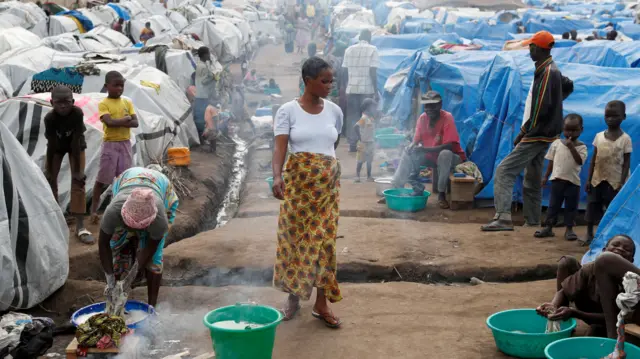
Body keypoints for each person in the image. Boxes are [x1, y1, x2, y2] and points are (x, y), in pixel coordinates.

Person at [271, 57, 343, 328]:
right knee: (295, 241)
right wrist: (277, 176)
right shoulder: (287, 111)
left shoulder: (335, 111)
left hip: (327, 192)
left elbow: (332, 148)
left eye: (331, 80)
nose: (329, 86)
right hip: (299, 192)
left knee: (325, 245)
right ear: (307, 81)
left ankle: (321, 303)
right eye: (324, 81)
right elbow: (280, 149)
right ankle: (293, 297)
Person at [482, 31, 567, 231]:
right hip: (546, 134)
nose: (529, 50)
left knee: (504, 171)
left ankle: (503, 217)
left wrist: (523, 132)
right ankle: (533, 220)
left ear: (537, 48)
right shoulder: (550, 69)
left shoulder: (547, 73)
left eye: (530, 47)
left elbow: (540, 109)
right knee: (532, 178)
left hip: (537, 133)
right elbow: (567, 86)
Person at [99, 166, 179, 308]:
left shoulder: (159, 217)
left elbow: (152, 246)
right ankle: (115, 297)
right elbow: (104, 244)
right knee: (117, 246)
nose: (134, 229)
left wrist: (131, 276)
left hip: (161, 187)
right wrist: (110, 280)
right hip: (126, 179)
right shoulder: (113, 210)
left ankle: (151, 308)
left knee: (154, 260)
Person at [536, 234, 636, 338]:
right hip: (588, 306)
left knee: (594, 334)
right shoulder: (592, 267)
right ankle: (561, 319)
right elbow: (564, 291)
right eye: (615, 245)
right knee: (567, 261)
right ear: (604, 250)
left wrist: (577, 313)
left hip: (609, 319)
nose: (620, 249)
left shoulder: (631, 281)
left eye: (626, 249)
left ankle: (596, 328)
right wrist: (553, 306)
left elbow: (621, 318)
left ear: (631, 261)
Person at [383, 91, 467, 209]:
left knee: (445, 154)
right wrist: (411, 147)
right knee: (408, 152)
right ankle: (396, 189)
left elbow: (449, 146)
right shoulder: (422, 118)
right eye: (427, 106)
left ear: (440, 105)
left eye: (433, 105)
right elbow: (416, 140)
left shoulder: (447, 117)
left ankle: (441, 194)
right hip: (432, 157)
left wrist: (424, 149)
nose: (429, 109)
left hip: (452, 158)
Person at [44, 86, 94, 244]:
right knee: (50, 182)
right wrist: (50, 170)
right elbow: (51, 144)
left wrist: (78, 171)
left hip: (76, 146)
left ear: (73, 101)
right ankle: (56, 221)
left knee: (78, 182)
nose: (63, 106)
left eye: (67, 102)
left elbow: (76, 140)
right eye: (59, 102)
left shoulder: (77, 113)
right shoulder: (49, 118)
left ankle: (80, 227)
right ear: (52, 103)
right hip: (56, 148)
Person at [583, 101, 632, 246]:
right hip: (597, 179)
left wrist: (622, 182)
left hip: (615, 181)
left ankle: (609, 237)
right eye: (607, 116)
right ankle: (589, 233)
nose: (610, 119)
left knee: (611, 208)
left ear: (623, 116)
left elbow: (627, 162)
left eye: (614, 116)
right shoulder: (598, 137)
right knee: (592, 206)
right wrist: (588, 179)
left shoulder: (625, 139)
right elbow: (594, 159)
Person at [91, 71, 138, 223]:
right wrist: (125, 119)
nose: (119, 88)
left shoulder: (127, 102)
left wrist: (119, 121)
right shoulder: (104, 103)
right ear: (106, 86)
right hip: (110, 144)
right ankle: (94, 211)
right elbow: (109, 123)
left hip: (125, 143)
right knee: (103, 179)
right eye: (115, 85)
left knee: (123, 178)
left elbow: (135, 123)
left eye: (121, 85)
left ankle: (120, 209)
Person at [536, 114, 587, 241]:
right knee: (553, 206)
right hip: (557, 181)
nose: (570, 133)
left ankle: (569, 229)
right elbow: (551, 162)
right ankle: (548, 228)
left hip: (573, 183)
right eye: (567, 129)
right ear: (562, 129)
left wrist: (571, 147)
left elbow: (580, 161)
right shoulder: (556, 143)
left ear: (581, 130)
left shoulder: (582, 147)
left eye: (575, 130)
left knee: (571, 207)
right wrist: (545, 177)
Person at [342, 29, 379, 152]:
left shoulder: (349, 50)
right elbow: (373, 71)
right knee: (367, 117)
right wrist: (376, 90)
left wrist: (345, 86)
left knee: (352, 116)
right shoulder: (373, 49)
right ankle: (365, 144)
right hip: (367, 89)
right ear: (369, 38)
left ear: (359, 38)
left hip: (352, 89)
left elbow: (344, 71)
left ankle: (352, 144)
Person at [194, 47, 217, 137]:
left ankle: (201, 134)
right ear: (204, 55)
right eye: (208, 53)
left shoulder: (200, 64)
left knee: (201, 114)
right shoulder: (202, 66)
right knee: (203, 115)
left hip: (200, 94)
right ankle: (202, 135)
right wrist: (213, 77)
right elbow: (203, 81)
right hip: (202, 95)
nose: (209, 55)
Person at [354, 98, 377, 183]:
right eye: (373, 107)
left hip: (370, 142)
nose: (374, 109)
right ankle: (357, 176)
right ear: (367, 107)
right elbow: (355, 127)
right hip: (363, 143)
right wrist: (360, 138)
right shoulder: (363, 118)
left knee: (369, 161)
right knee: (360, 160)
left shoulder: (371, 118)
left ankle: (369, 176)